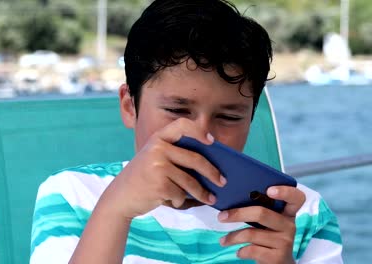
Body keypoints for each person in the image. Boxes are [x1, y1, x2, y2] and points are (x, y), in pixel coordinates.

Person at [30, 0, 343, 263]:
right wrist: (114, 211)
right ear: (129, 106)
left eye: (229, 116)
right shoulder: (73, 196)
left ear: (250, 118)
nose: (199, 134)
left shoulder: (303, 217)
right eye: (177, 111)